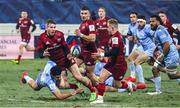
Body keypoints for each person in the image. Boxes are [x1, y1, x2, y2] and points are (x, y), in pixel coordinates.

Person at [36, 19, 96, 100]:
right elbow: (39, 51)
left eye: (54, 27)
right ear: (46, 28)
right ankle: (75, 87)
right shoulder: (42, 38)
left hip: (67, 59)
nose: (53, 29)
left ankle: (93, 91)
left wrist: (68, 54)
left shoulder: (59, 34)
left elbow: (65, 46)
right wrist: (42, 55)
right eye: (51, 27)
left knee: (78, 77)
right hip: (57, 63)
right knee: (61, 85)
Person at [90, 19, 133, 104]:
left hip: (119, 65)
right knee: (101, 79)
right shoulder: (113, 36)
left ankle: (128, 85)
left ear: (112, 28)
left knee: (117, 85)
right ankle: (100, 99)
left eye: (108, 27)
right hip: (112, 63)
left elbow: (115, 52)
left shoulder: (116, 37)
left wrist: (101, 55)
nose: (107, 29)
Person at [147, 15, 180, 95]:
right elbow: (160, 45)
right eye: (150, 21)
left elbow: (167, 45)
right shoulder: (158, 30)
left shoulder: (160, 31)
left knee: (171, 76)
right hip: (167, 54)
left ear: (158, 22)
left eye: (153, 21)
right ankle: (158, 91)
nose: (151, 23)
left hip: (170, 55)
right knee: (155, 68)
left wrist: (162, 55)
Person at [74, 6, 98, 101]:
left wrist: (81, 35)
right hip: (83, 51)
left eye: (85, 13)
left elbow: (93, 38)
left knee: (90, 74)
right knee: (73, 66)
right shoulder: (82, 24)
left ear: (89, 14)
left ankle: (98, 90)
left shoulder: (91, 23)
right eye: (82, 13)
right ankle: (80, 85)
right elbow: (83, 38)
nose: (83, 15)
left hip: (91, 52)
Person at [126, 12, 145, 87]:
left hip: (144, 46)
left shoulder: (140, 25)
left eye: (134, 17)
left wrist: (135, 38)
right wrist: (130, 37)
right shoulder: (130, 26)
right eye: (131, 17)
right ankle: (133, 77)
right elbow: (129, 34)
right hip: (138, 45)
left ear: (137, 18)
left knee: (137, 62)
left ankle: (141, 81)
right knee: (131, 58)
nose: (132, 18)